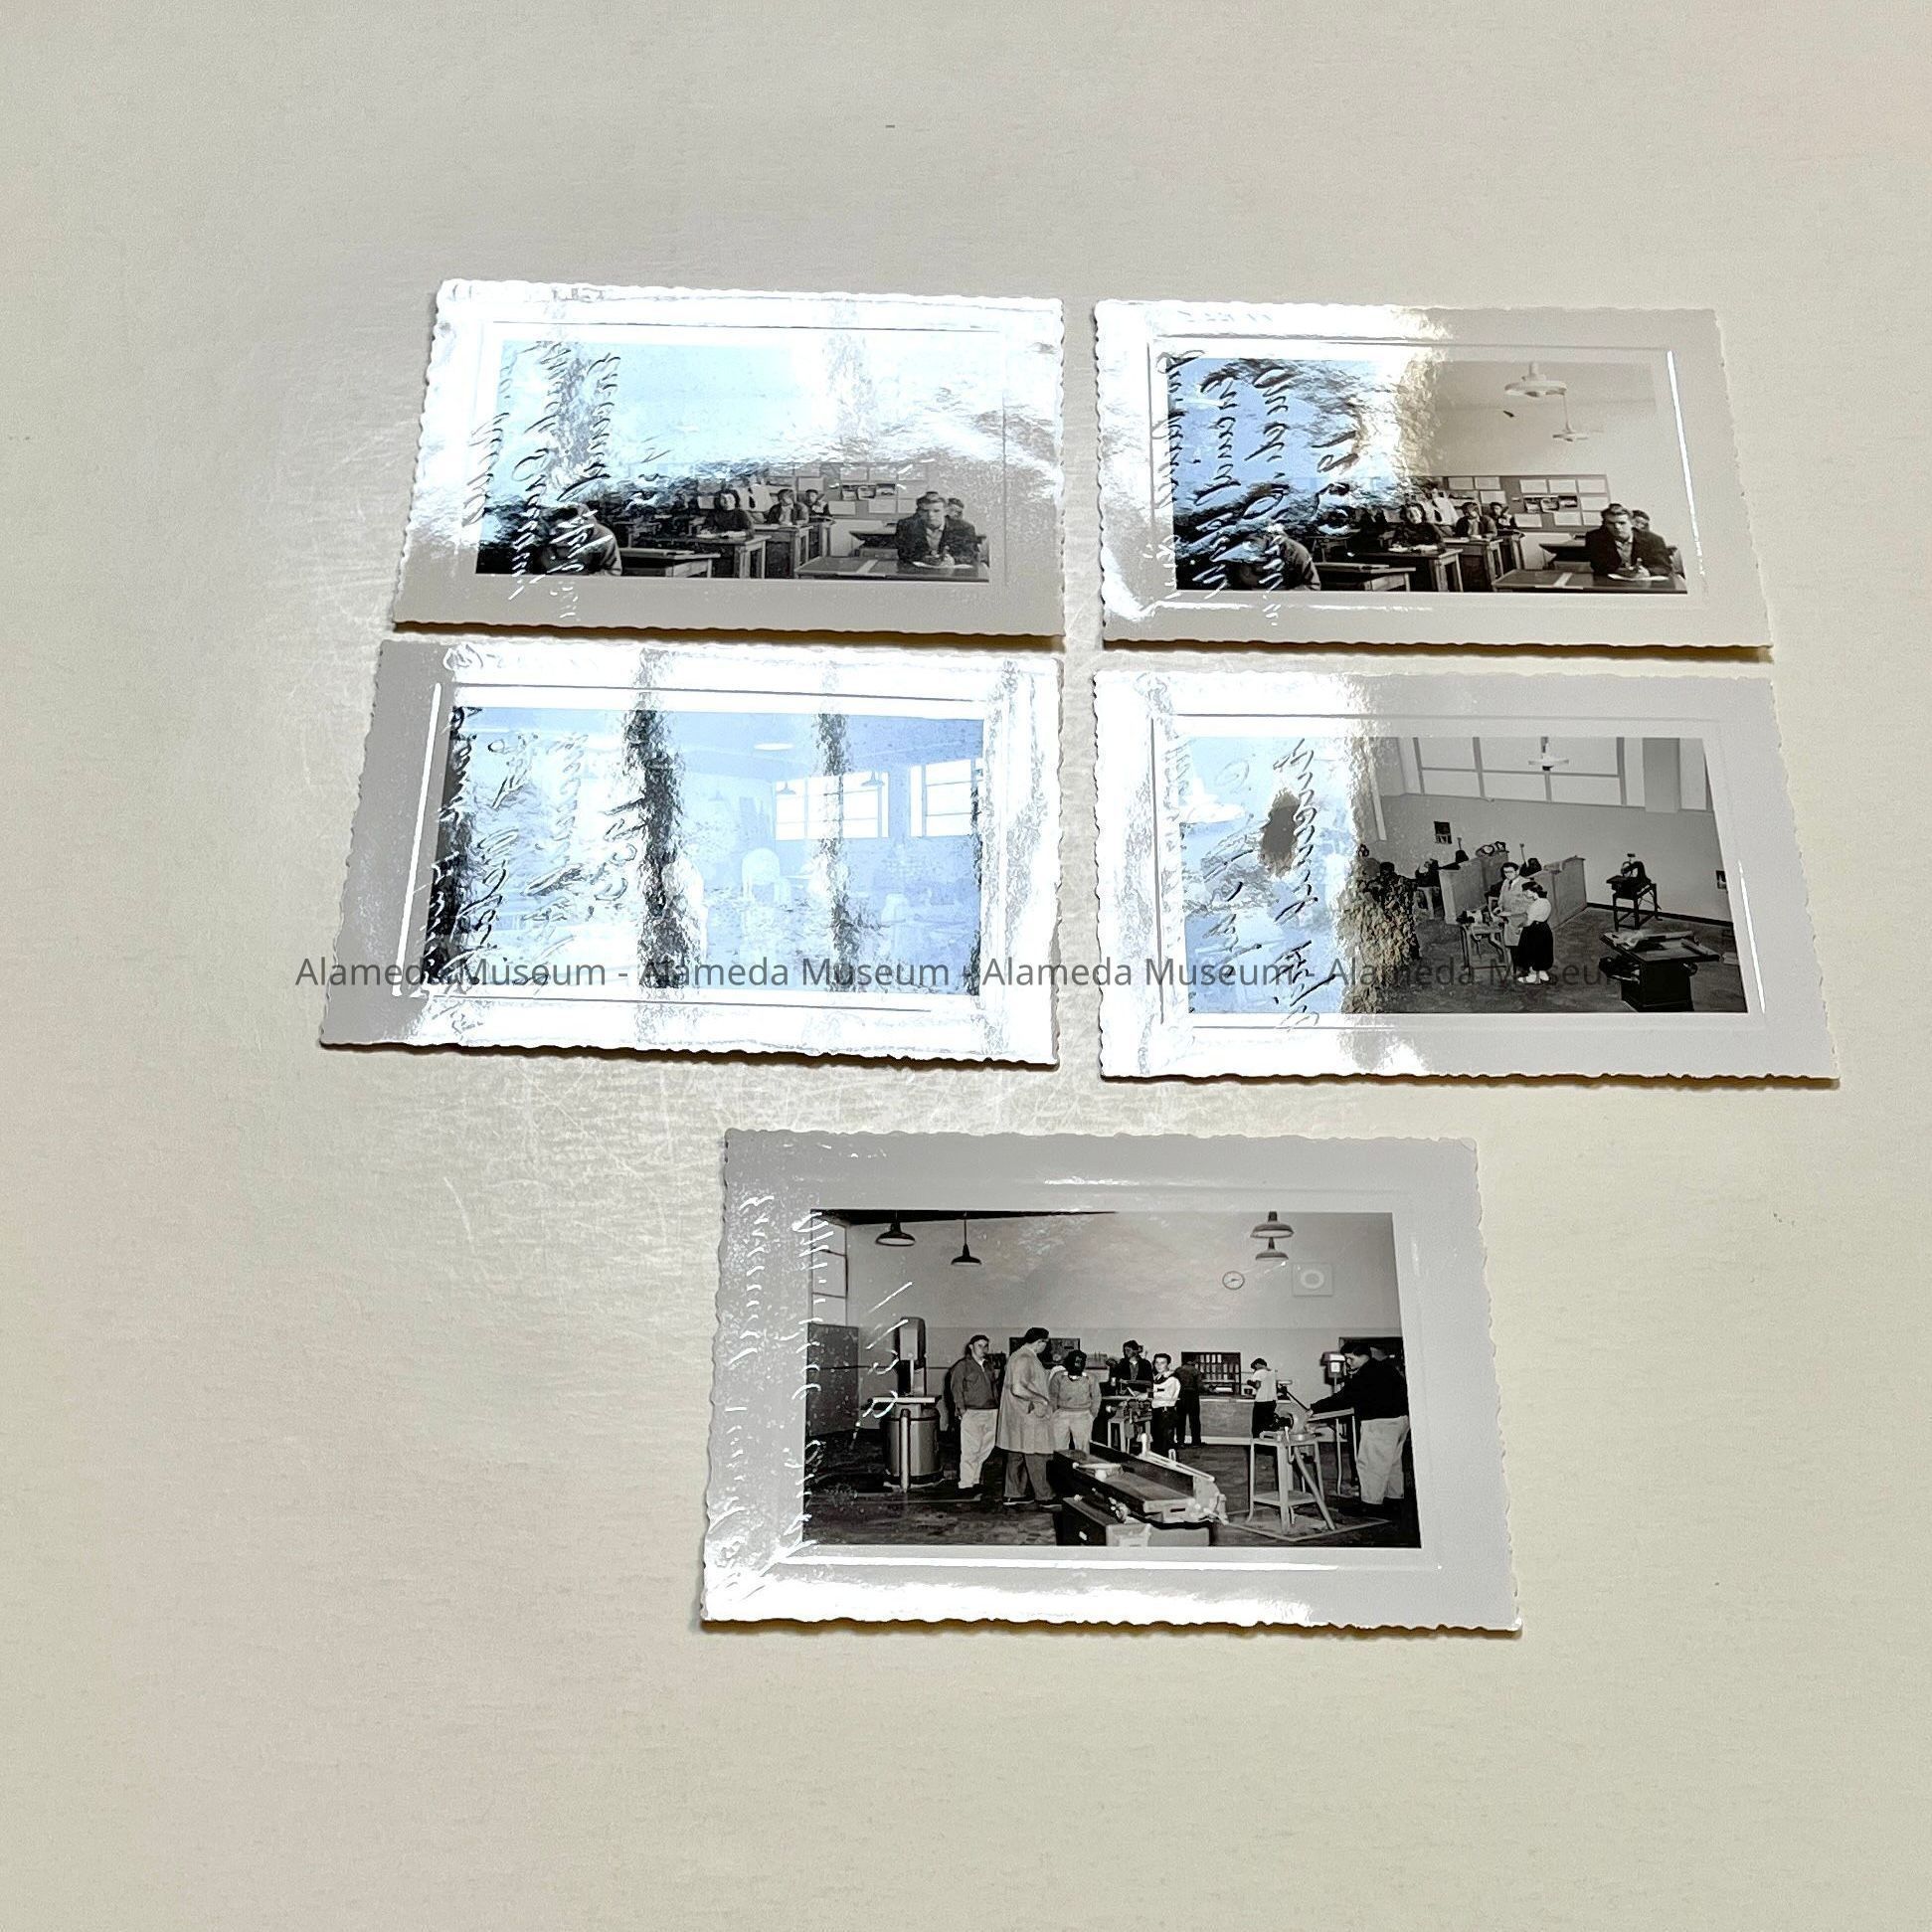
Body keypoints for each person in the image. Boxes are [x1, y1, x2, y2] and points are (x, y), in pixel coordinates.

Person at [1309, 1343, 1411, 1510]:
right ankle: (1394, 1500)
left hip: (1380, 1423)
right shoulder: (1387, 1369)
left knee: (1371, 1464)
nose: (1348, 1363)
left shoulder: (1366, 1373)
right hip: (1401, 1422)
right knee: (1392, 1463)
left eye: (1350, 1358)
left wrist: (1314, 1408)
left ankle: (1370, 1504)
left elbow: (1344, 1397)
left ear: (1364, 1356)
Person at [997, 1327, 1056, 1506]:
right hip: (1029, 1416)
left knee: (1016, 1454)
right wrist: (1042, 1399)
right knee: (1037, 1455)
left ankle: (1013, 1494)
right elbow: (1018, 1388)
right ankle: (1045, 1496)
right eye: (1045, 1343)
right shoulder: (1025, 1358)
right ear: (1040, 1342)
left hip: (1019, 1416)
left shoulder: (1016, 1356)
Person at [945, 1333, 999, 1496]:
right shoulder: (962, 1366)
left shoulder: (988, 1366)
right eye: (979, 1346)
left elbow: (994, 1388)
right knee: (970, 1449)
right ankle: (965, 1484)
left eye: (986, 1346)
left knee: (985, 1448)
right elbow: (956, 1389)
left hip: (991, 1411)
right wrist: (961, 1410)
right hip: (972, 1412)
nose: (983, 1349)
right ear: (971, 1347)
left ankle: (975, 1481)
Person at [1583, 503, 1675, 581]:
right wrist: (1619, 571)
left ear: (1632, 523)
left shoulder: (1653, 539)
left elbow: (1664, 567)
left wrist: (1647, 572)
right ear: (1604, 524)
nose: (1617, 527)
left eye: (1622, 523)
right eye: (1611, 523)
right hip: (1611, 583)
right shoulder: (1595, 538)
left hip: (1644, 583)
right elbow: (1597, 565)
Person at [896, 490, 977, 570]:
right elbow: (903, 553)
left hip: (952, 573)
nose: (930, 515)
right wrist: (924, 558)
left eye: (936, 511)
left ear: (945, 511)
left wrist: (953, 560)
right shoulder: (906, 526)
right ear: (918, 512)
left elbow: (970, 555)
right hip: (918, 572)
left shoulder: (964, 528)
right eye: (925, 511)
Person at [537, 501, 622, 575]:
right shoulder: (539, 535)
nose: (552, 532)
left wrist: (581, 583)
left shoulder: (602, 537)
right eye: (550, 520)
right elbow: (531, 573)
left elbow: (612, 572)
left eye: (560, 530)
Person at [1048, 1349, 1102, 1456]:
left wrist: (1091, 1415)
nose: (1077, 1365)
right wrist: (1055, 1413)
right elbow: (1052, 1396)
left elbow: (1096, 1397)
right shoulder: (1058, 1377)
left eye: (1080, 1363)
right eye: (1074, 1362)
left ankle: (1082, 1465)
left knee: (1082, 1449)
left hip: (1083, 1415)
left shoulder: (1090, 1378)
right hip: (1061, 1414)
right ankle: (1061, 1466)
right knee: (1058, 1448)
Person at [1493, 861, 1532, 976]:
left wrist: (1510, 912)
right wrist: (1499, 907)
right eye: (1505, 872)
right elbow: (1502, 898)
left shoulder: (1526, 883)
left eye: (1510, 872)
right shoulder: (1506, 882)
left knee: (1522, 945)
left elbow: (1528, 904)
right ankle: (1516, 968)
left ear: (1517, 871)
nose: (1507, 875)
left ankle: (1526, 970)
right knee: (1512, 945)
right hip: (1509, 919)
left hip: (1521, 918)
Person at [1516, 881, 1554, 984]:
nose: (1524, 893)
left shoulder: (1535, 905)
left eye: (1525, 891)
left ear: (1532, 891)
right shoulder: (1546, 902)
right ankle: (1542, 973)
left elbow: (1528, 923)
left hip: (1534, 930)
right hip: (1545, 928)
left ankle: (1533, 976)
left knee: (1530, 952)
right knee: (1543, 951)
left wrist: (1519, 926)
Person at [1147, 1352, 1181, 1458]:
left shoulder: (1172, 1379)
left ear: (1168, 1365)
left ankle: (1172, 1465)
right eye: (1157, 1363)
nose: (1159, 1365)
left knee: (1167, 1443)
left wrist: (1148, 1395)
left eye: (1162, 1363)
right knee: (1158, 1443)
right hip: (1157, 1412)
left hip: (1166, 1414)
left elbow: (1167, 1395)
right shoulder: (1157, 1378)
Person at [1173, 1355, 1203, 1450]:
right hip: (1192, 1396)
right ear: (1193, 1361)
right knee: (1194, 1420)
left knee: (1180, 1420)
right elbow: (1200, 1386)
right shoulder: (1196, 1371)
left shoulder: (1178, 1371)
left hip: (1180, 1396)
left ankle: (1180, 1442)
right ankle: (1196, 1442)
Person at [1246, 1358, 1281, 1438]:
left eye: (1254, 1368)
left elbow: (1257, 1385)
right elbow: (1274, 1387)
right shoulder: (1273, 1373)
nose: (1254, 1370)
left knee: (1257, 1427)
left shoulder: (1259, 1372)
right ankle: (1269, 1443)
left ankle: (1257, 1444)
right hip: (1272, 1402)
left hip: (1261, 1402)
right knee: (1268, 1425)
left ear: (1257, 1364)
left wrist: (1250, 1382)